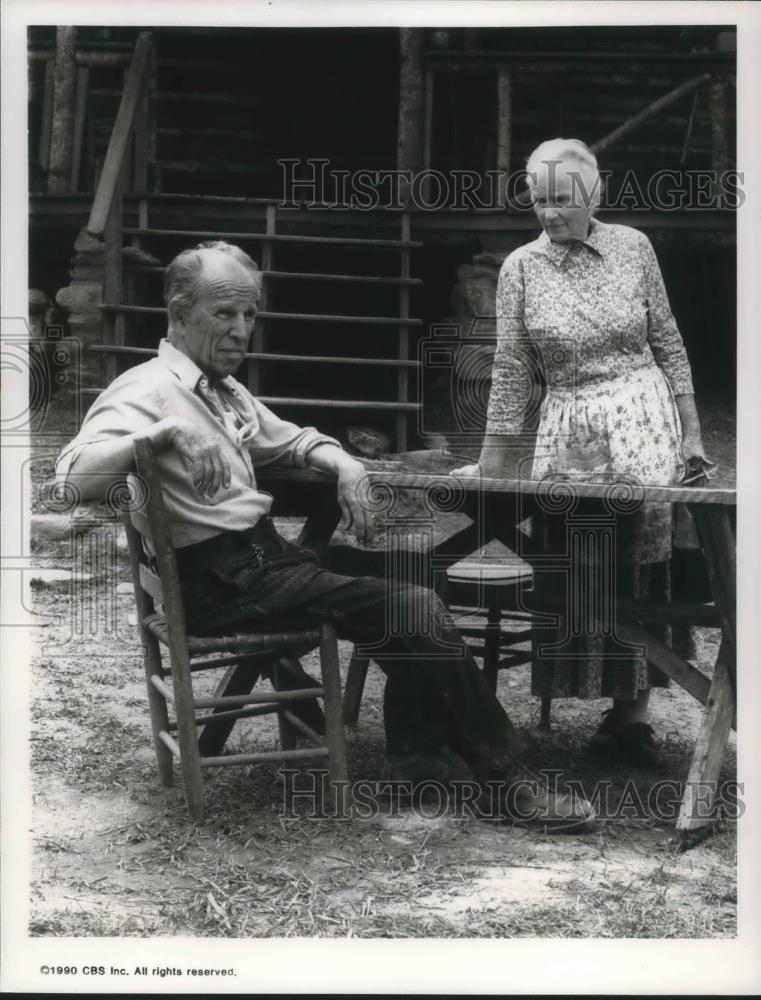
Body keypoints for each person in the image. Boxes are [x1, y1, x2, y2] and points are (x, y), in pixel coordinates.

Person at [56, 239, 592, 827]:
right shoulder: (146, 391)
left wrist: (343, 463)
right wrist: (159, 437)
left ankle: (419, 763)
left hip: (261, 564)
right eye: (224, 314)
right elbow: (72, 480)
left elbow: (291, 437)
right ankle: (504, 780)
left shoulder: (221, 388)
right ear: (179, 313)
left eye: (250, 314)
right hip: (218, 581)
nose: (241, 330)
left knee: (410, 581)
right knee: (410, 606)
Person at [452, 139, 712, 764]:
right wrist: (491, 462)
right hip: (568, 427)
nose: (548, 213)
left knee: (640, 566)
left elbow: (669, 343)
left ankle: (633, 717)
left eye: (561, 200)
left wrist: (693, 433)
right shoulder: (520, 267)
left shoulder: (633, 248)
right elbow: (512, 369)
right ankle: (593, 706)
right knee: (578, 566)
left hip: (641, 419)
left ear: (593, 194)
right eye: (538, 200)